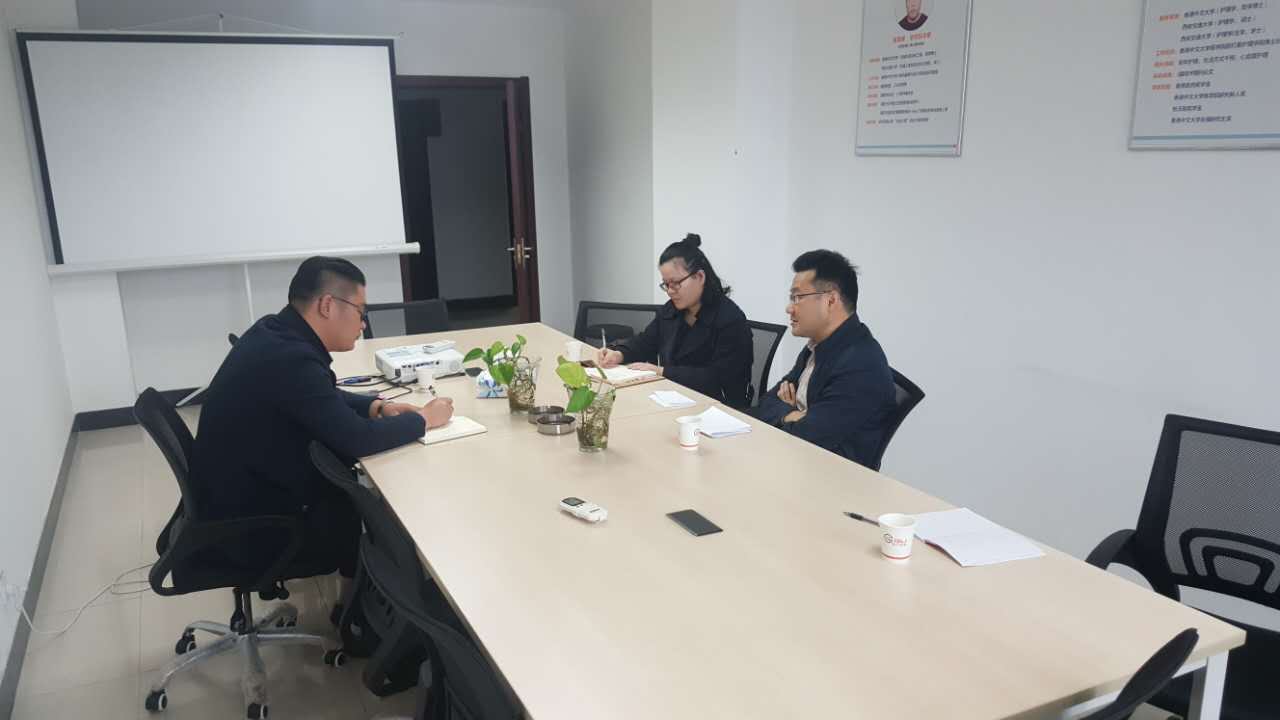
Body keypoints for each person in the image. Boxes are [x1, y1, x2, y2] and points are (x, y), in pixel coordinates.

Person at [189, 256, 454, 580]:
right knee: (378, 502)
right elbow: (358, 439)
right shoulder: (292, 358)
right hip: (255, 526)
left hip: (233, 497)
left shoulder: (274, 332)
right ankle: (373, 596)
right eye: (360, 311)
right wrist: (424, 419)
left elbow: (318, 395)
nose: (363, 324)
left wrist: (375, 406)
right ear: (328, 305)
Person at [756, 250, 896, 466]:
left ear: (831, 300)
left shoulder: (861, 365)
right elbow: (766, 402)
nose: (789, 308)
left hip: (832, 477)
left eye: (798, 297)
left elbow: (808, 437)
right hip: (796, 459)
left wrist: (791, 415)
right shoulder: (818, 346)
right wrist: (792, 414)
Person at [597, 233, 754, 408]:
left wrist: (662, 371)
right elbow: (646, 342)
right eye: (666, 284)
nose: (670, 291)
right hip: (674, 398)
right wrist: (619, 353)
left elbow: (717, 378)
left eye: (675, 283)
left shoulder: (730, 320)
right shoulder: (672, 309)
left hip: (718, 408)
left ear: (700, 277)